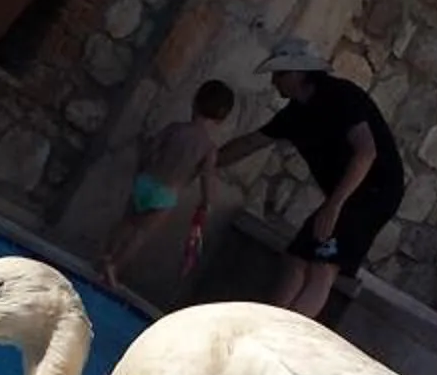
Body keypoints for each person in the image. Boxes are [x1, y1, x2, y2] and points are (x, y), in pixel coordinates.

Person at [216, 36, 407, 320]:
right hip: (346, 194)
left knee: (323, 265)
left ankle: (285, 336)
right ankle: (267, 325)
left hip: (376, 190)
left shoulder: (341, 96)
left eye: (279, 74)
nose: (274, 82)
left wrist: (334, 205)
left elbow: (366, 152)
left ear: (298, 72)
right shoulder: (294, 116)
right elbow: (250, 143)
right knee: (296, 259)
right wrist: (207, 161)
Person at [101, 80, 234, 292]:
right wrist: (206, 202)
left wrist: (142, 168)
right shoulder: (208, 148)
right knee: (140, 234)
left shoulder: (175, 129)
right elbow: (207, 179)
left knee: (126, 223)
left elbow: (151, 149)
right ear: (222, 117)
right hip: (166, 195)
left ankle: (105, 257)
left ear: (195, 102)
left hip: (146, 182)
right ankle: (115, 268)